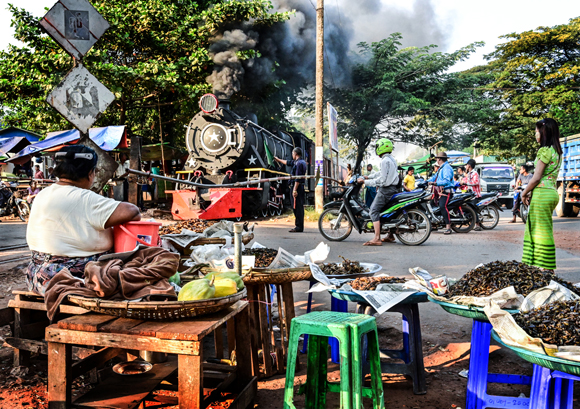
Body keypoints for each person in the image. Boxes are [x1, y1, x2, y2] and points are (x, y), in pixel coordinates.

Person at [25, 145, 141, 295]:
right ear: (90, 173)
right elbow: (133, 212)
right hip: (68, 279)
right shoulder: (85, 198)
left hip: (35, 276)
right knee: (149, 260)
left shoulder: (43, 194)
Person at [520, 119, 562, 270]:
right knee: (544, 229)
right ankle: (542, 266)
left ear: (544, 133)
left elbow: (536, 177)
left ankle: (544, 268)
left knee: (539, 231)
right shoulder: (557, 152)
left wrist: (524, 193)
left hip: (542, 194)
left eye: (537, 131)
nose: (535, 134)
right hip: (552, 192)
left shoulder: (544, 150)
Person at [357, 138, 398, 246]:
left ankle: (376, 238)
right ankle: (390, 235)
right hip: (393, 188)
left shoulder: (385, 161)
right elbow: (380, 173)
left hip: (386, 190)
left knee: (373, 211)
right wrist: (368, 176)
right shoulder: (391, 159)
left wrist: (366, 181)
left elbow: (382, 180)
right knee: (387, 212)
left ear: (382, 147)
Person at [274, 147, 307, 233]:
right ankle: (298, 226)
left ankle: (299, 227)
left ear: (295, 154)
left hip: (297, 187)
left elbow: (297, 178)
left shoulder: (299, 164)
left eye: (292, 154)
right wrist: (278, 160)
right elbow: (288, 163)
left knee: (297, 207)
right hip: (297, 187)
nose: (292, 155)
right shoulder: (298, 162)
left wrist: (295, 190)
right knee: (296, 207)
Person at [427, 152, 455, 234]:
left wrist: (435, 183)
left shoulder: (447, 168)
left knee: (442, 206)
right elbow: (434, 177)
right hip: (439, 192)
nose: (437, 160)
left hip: (446, 191)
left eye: (437, 159)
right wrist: (426, 182)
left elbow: (446, 181)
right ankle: (434, 225)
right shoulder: (441, 168)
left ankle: (448, 227)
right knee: (432, 205)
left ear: (439, 159)